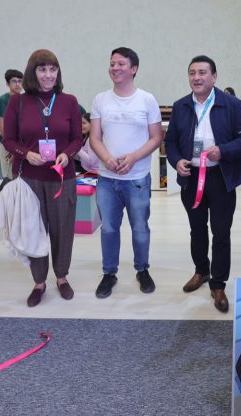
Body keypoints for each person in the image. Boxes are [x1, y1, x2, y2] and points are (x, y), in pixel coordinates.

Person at [165, 55, 241, 313]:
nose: (196, 77)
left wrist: (222, 151)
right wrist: (176, 160)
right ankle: (201, 271)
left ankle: (218, 283)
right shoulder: (181, 106)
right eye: (192, 73)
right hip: (191, 177)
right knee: (197, 229)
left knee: (221, 232)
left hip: (221, 177)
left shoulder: (232, 104)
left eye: (202, 72)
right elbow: (170, 142)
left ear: (214, 77)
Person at [2, 49, 83, 307]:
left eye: (52, 69)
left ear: (58, 72)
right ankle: (39, 282)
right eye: (42, 69)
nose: (48, 74)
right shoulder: (18, 102)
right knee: (33, 230)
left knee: (62, 230)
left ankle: (61, 277)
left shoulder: (69, 101)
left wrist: (67, 155)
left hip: (62, 176)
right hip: (29, 178)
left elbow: (77, 139)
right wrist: (25, 154)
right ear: (32, 72)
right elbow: (9, 139)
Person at [90, 47, 163, 299]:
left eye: (121, 64)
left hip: (138, 179)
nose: (115, 68)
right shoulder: (100, 99)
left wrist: (133, 158)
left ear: (133, 69)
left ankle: (142, 269)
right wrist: (107, 159)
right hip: (107, 179)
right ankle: (109, 273)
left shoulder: (147, 99)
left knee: (140, 227)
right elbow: (95, 137)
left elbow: (156, 137)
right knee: (109, 228)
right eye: (112, 63)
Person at [0, 69, 24, 181]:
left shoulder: (24, 99)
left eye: (20, 81)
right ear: (8, 84)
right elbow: (2, 126)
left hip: (22, 145)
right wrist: (12, 148)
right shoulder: (3, 100)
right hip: (9, 145)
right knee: (10, 176)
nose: (17, 84)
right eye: (14, 81)